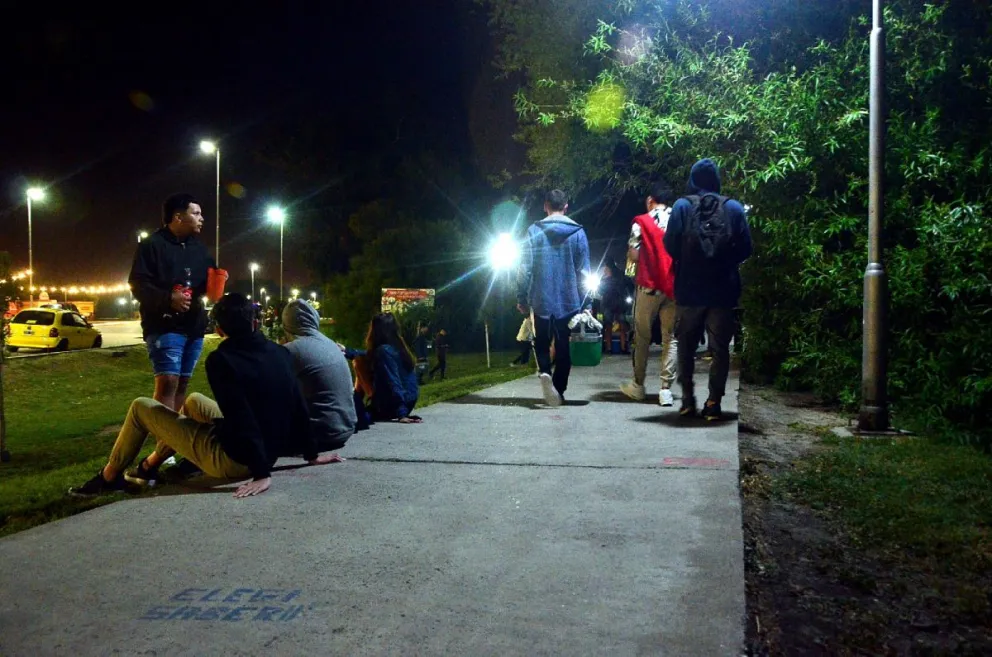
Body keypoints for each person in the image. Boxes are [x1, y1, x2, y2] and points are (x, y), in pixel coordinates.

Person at [69, 294, 339, 499]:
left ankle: (109, 477)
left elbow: (241, 415)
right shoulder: (280, 353)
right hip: (267, 452)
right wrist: (312, 454)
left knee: (141, 407)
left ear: (220, 330)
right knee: (194, 400)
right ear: (256, 323)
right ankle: (149, 466)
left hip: (236, 461)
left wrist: (261, 475)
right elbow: (297, 406)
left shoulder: (222, 360)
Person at [664, 159, 753, 420]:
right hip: (722, 290)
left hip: (690, 289)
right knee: (720, 349)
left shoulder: (681, 206)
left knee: (685, 346)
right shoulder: (734, 208)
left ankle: (688, 400)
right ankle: (713, 402)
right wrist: (724, 261)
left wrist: (689, 261)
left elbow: (670, 244)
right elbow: (747, 248)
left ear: (693, 179)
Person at [128, 194, 218, 416]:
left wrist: (216, 283)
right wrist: (169, 299)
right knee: (168, 381)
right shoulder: (152, 245)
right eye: (195, 213)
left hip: (194, 327)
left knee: (183, 384)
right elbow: (138, 284)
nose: (202, 218)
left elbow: (207, 282)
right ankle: (164, 444)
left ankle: (172, 443)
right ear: (178, 216)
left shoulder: (199, 249)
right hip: (163, 325)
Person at [517, 189, 591, 407]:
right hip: (569, 299)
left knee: (541, 342)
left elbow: (524, 268)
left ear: (545, 205)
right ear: (566, 206)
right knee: (564, 345)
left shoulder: (533, 231)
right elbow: (584, 271)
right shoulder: (578, 232)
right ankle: (558, 389)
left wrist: (521, 295)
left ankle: (544, 373)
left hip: (540, 298)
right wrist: (587, 302)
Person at [621, 183, 679, 406]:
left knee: (642, 336)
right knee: (670, 337)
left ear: (650, 200)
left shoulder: (641, 221)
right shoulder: (679, 218)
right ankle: (665, 390)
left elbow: (634, 255)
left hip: (648, 286)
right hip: (673, 287)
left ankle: (638, 385)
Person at [281, 299, 357, 452]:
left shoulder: (291, 350)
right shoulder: (331, 344)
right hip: (345, 428)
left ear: (287, 324)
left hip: (319, 435)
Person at [353, 313, 422, 423]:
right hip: (408, 402)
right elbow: (368, 354)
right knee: (359, 357)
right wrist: (348, 351)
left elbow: (393, 381)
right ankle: (355, 405)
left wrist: (401, 414)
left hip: (394, 406)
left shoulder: (383, 351)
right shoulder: (399, 347)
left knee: (358, 361)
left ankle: (355, 404)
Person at [599, 260, 630, 355]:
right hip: (619, 304)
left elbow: (601, 291)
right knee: (622, 326)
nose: (604, 270)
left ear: (608, 268)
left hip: (609, 304)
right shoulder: (621, 276)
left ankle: (609, 348)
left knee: (608, 326)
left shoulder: (606, 279)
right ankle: (623, 347)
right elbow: (629, 285)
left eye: (605, 268)